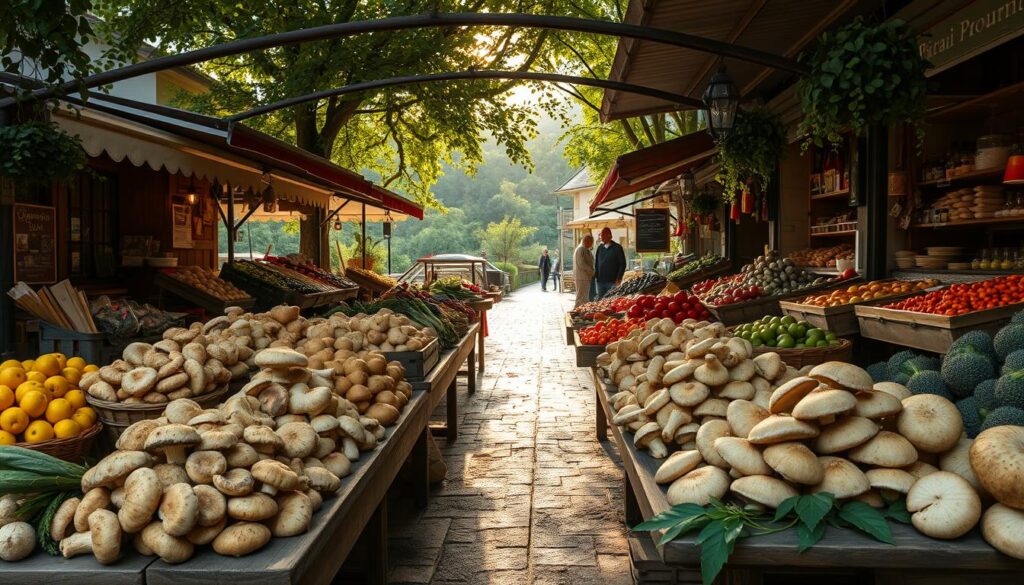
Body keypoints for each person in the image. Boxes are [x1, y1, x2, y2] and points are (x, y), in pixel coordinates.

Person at [594, 227, 626, 298]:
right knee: (601, 302)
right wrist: (596, 276)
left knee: (611, 301)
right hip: (600, 281)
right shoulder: (600, 248)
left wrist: (619, 278)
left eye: (602, 235)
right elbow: (596, 263)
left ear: (609, 235)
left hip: (613, 282)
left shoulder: (617, 248)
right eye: (600, 235)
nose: (601, 237)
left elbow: (622, 264)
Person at [572, 235, 595, 307]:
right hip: (581, 277)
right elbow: (581, 264)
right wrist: (592, 272)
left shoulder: (586, 249)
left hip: (585, 277)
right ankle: (576, 313)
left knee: (584, 297)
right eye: (591, 242)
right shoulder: (580, 249)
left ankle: (582, 312)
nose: (592, 244)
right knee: (581, 297)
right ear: (587, 241)